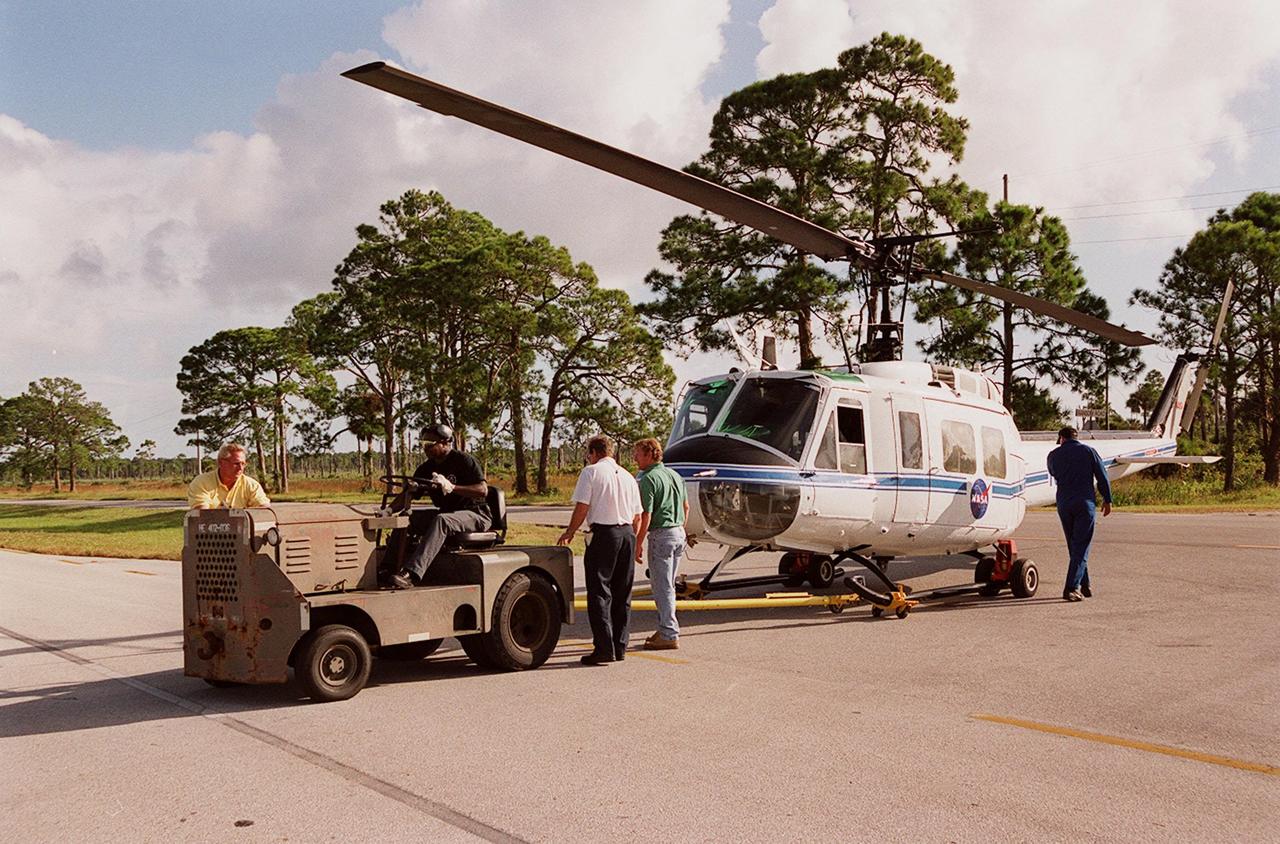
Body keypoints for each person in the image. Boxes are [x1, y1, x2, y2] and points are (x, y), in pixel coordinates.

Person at [557, 435, 642, 665]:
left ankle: (603, 648)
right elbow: (637, 515)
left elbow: (582, 507)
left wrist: (570, 532)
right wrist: (634, 539)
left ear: (594, 453)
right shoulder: (628, 476)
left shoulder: (591, 472)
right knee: (622, 592)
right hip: (627, 533)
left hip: (604, 534)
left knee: (599, 591)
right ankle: (620, 646)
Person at [390, 423, 491, 589]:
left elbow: (482, 490)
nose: (426, 448)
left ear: (445, 442)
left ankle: (412, 574)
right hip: (448, 513)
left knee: (441, 520)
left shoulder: (464, 460)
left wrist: (452, 487)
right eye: (423, 443)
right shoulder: (426, 468)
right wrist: (387, 510)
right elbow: (409, 494)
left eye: (430, 443)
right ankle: (388, 567)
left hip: (475, 514)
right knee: (406, 519)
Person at [632, 437, 688, 650]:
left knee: (661, 587)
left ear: (649, 454)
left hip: (661, 535)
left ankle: (668, 632)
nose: (635, 458)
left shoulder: (648, 479)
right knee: (669, 586)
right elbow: (686, 507)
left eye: (638, 454)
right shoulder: (675, 475)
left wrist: (638, 543)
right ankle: (666, 627)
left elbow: (646, 514)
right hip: (678, 532)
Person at [1047, 425, 1112, 602]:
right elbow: (1102, 476)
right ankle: (1071, 588)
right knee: (1081, 546)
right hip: (1085, 504)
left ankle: (1085, 585)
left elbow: (1053, 472)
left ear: (1061, 438)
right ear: (1076, 437)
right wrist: (1107, 499)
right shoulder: (1089, 451)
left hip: (1064, 504)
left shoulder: (1053, 455)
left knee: (1074, 546)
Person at [187, 443, 271, 509]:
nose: (240, 468)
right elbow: (201, 516)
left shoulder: (251, 485)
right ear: (221, 463)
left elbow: (264, 511)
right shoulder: (202, 482)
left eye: (243, 464)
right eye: (236, 463)